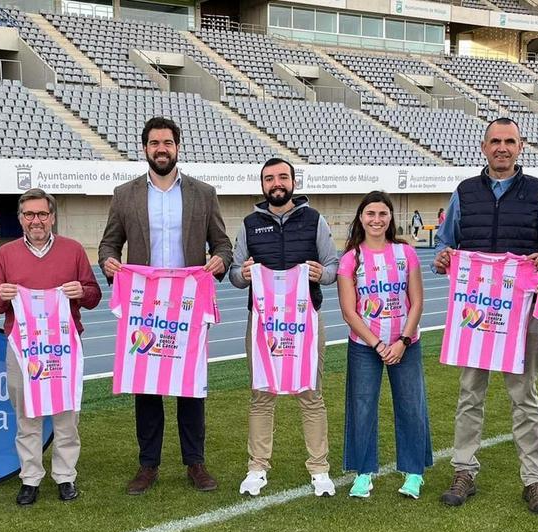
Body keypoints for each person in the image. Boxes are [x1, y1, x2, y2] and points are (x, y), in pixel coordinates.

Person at [431, 117, 538, 516]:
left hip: (522, 314)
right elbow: (446, 243)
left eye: (509, 141)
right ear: (483, 146)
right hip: (475, 313)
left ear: (520, 147)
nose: (502, 148)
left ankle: (535, 479)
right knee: (469, 395)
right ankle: (464, 471)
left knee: (524, 397)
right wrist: (442, 257)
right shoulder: (465, 192)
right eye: (495, 141)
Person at [98, 117, 233, 495]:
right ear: (144, 148)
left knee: (190, 386)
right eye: (155, 142)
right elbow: (109, 245)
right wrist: (109, 263)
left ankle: (195, 462)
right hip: (145, 306)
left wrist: (220, 260)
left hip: (188, 304)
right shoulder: (124, 194)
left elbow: (223, 245)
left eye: (168, 143)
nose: (161, 148)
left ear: (177, 147)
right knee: (147, 387)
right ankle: (148, 465)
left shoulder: (203, 193)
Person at [229, 158, 339, 498]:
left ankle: (319, 469)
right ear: (262, 185)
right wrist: (242, 275)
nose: (276, 183)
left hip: (306, 321)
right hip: (263, 323)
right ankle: (257, 467)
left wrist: (323, 274)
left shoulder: (314, 219)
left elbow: (333, 265)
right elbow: (234, 272)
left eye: (282, 177)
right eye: (269, 178)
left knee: (310, 393)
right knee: (262, 394)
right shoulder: (249, 224)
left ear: (293, 181)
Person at [0, 189, 101, 505]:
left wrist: (82, 290)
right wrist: (3, 296)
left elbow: (93, 297)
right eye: (29, 215)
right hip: (23, 348)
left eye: (42, 214)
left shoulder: (74, 250)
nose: (36, 220)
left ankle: (65, 476)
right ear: (20, 218)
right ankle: (30, 478)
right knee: (27, 416)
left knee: (66, 417)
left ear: (52, 216)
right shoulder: (6, 254)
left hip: (63, 347)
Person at [338, 191, 432, 499]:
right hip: (366, 346)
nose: (376, 219)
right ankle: (364, 473)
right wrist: (378, 344)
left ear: (390, 218)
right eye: (370, 214)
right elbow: (349, 312)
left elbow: (417, 301)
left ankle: (414, 472)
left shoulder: (406, 253)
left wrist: (403, 340)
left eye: (382, 214)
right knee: (362, 407)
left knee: (411, 406)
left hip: (406, 343)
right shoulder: (351, 258)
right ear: (361, 218)